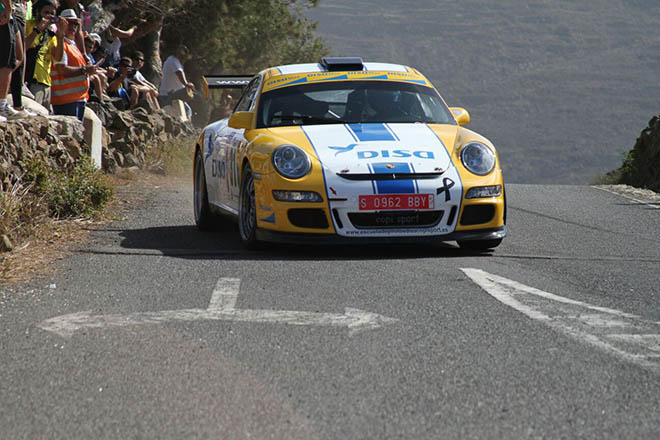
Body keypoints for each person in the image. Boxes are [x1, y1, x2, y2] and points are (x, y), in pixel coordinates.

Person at [50, 9, 94, 121]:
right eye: (69, 23)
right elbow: (62, 70)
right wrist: (84, 70)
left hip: (77, 99)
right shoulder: (59, 44)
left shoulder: (72, 45)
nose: (73, 26)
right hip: (66, 101)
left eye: (76, 24)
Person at [24, 0, 57, 108]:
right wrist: (38, 29)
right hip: (31, 80)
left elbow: (58, 58)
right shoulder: (28, 25)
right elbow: (23, 48)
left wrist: (61, 36)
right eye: (46, 12)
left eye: (52, 14)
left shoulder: (51, 34)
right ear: (38, 12)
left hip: (46, 82)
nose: (49, 16)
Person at [0, 0, 27, 120]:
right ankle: (1, 105)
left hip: (8, 14)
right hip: (3, 12)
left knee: (14, 58)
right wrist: (8, 8)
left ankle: (3, 103)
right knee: (5, 62)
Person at [158, 44, 195, 115]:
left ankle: (186, 122)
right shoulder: (173, 60)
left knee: (188, 110)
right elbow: (179, 72)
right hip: (168, 95)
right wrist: (186, 84)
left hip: (173, 94)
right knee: (186, 111)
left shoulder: (178, 63)